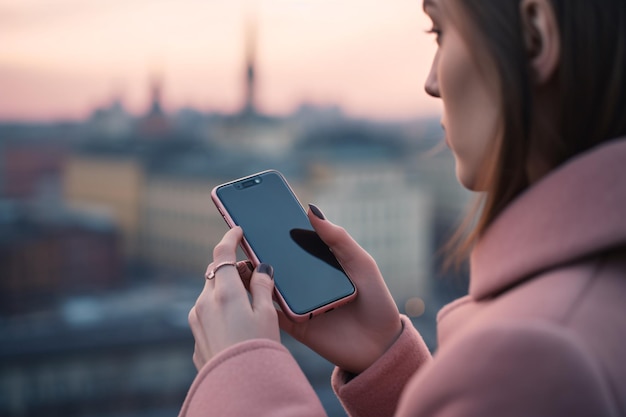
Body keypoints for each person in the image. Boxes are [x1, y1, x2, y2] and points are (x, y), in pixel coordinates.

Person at [180, 0, 626, 415]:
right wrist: (386, 363)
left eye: (441, 31)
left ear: (534, 35)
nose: (431, 83)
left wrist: (240, 375)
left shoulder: (540, 357)